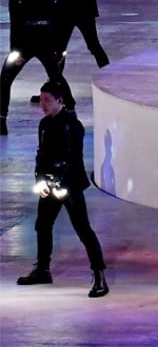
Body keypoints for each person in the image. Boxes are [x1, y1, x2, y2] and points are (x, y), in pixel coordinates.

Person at [15, 81, 108, 298]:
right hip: (50, 184)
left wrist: (59, 182)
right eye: (42, 100)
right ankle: (42, 269)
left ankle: (99, 275)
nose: (43, 105)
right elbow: (41, 155)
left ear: (60, 100)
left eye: (47, 100)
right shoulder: (44, 125)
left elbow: (73, 158)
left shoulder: (73, 126)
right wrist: (40, 179)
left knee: (83, 229)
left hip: (70, 185)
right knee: (42, 224)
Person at [2, 0, 76, 136]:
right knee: (57, 77)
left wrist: (16, 51)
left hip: (25, 43)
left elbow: (16, 24)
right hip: (46, 42)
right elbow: (58, 21)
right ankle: (72, 112)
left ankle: (1, 119)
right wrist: (59, 48)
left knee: (5, 80)